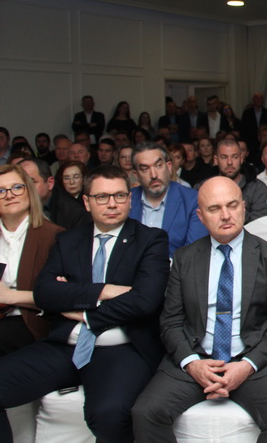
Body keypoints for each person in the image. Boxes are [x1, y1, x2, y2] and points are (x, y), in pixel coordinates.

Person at [0, 165, 170, 442]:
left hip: (120, 349)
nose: (112, 204)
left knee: (108, 414)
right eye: (102, 197)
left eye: (119, 195)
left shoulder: (150, 240)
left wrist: (84, 312)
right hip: (64, 346)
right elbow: (45, 293)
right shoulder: (68, 240)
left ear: (130, 199)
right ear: (87, 202)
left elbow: (144, 301)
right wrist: (104, 291)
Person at [131, 176, 267, 442]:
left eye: (232, 205)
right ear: (200, 216)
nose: (225, 215)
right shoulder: (185, 258)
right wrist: (192, 364)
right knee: (145, 413)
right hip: (196, 356)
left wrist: (246, 366)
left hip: (251, 358)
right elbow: (170, 322)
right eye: (214, 208)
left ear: (244, 207)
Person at [0, 164, 64, 354]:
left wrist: (9, 296)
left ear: (29, 190)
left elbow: (61, 297)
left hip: (32, 321)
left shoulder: (53, 236)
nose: (10, 195)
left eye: (17, 187)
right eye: (1, 191)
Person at [129, 143, 207, 257]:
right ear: (136, 175)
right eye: (145, 169)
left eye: (158, 166)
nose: (154, 175)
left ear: (169, 167)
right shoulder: (127, 200)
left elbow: (194, 252)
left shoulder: (192, 200)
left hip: (175, 267)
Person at [200, 140, 267, 223]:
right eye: (224, 157)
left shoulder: (257, 188)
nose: (229, 162)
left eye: (234, 157)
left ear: (241, 159)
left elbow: (262, 223)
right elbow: (200, 222)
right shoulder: (204, 188)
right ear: (216, 160)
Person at [51, 161, 92, 229]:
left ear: (83, 179)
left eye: (76, 177)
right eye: (67, 178)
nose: (72, 182)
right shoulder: (56, 202)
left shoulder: (90, 200)